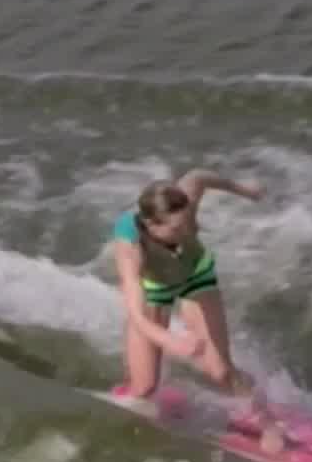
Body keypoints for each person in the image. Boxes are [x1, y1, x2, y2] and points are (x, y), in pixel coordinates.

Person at [106, 170, 270, 419]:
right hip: (155, 289)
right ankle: (132, 390)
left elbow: (198, 176)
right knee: (144, 388)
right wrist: (169, 339)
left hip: (195, 276)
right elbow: (137, 317)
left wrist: (246, 190)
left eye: (187, 224)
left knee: (220, 372)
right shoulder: (131, 248)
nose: (185, 233)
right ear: (151, 225)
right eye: (176, 229)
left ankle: (263, 413)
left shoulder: (181, 200)